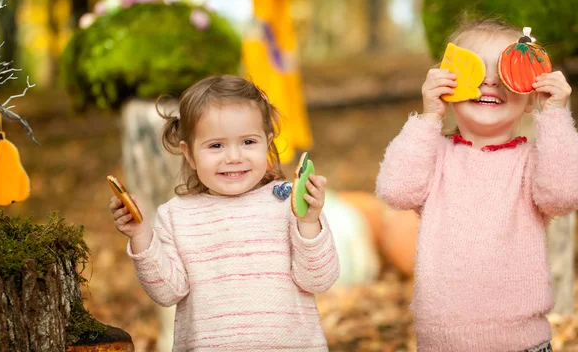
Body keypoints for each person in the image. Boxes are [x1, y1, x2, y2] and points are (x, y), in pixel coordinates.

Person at [376, 19, 578, 352]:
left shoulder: (532, 162)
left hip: (522, 342)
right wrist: (429, 118)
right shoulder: (434, 156)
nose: (489, 82)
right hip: (441, 343)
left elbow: (563, 195)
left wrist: (555, 115)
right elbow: (396, 190)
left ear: (530, 96)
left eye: (505, 72)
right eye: (473, 69)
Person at [110, 74, 339, 351]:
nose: (234, 156)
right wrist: (141, 235)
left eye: (248, 142)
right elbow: (168, 292)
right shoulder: (176, 216)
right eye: (216, 145)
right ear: (190, 154)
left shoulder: (288, 203)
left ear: (267, 143)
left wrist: (310, 221)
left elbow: (319, 279)